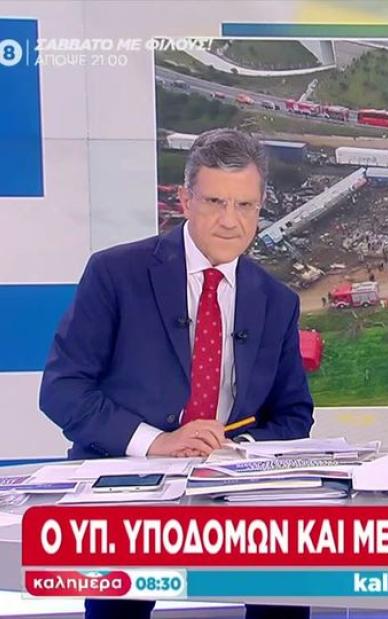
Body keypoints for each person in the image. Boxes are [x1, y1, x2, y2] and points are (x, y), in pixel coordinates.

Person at [40, 129, 313, 619]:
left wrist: (237, 451)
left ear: (260, 207)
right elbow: (63, 389)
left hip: (234, 488)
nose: (230, 221)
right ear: (185, 201)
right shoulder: (116, 274)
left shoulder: (276, 300)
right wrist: (156, 442)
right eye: (215, 202)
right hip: (129, 480)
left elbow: (294, 414)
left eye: (245, 206)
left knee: (288, 590)